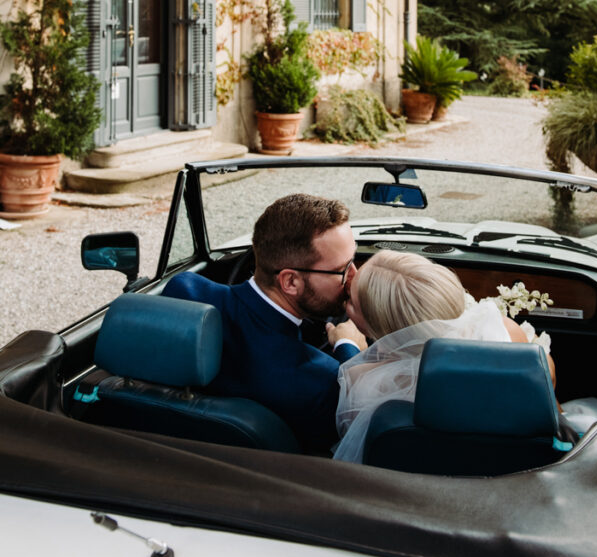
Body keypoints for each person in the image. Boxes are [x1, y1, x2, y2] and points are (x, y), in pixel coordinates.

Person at [162, 193, 367, 451]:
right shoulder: (320, 383)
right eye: (343, 269)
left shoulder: (185, 291)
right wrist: (350, 346)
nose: (354, 276)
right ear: (290, 282)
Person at [333, 250, 555, 463]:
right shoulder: (506, 333)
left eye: (351, 302)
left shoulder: (361, 384)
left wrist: (350, 346)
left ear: (378, 330)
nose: (346, 297)